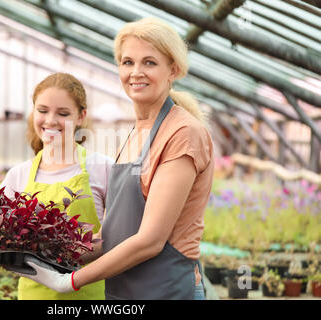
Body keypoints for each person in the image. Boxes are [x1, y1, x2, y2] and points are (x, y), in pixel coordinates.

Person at [12, 17, 214, 300]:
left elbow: (150, 242)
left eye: (150, 63)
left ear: (174, 70)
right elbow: (116, 237)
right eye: (127, 62)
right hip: (125, 292)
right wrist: (44, 255)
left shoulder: (182, 133)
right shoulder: (136, 132)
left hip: (166, 290)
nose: (136, 72)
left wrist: (69, 281)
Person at [0, 72, 113, 300]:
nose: (50, 120)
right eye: (42, 111)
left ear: (81, 116)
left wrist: (57, 258)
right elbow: (0, 239)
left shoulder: (103, 168)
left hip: (90, 295)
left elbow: (119, 237)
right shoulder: (18, 175)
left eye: (63, 113)